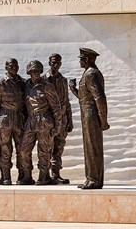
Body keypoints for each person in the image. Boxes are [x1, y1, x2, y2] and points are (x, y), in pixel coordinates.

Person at [69, 48, 109, 190]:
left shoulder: (91, 74)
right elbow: (85, 97)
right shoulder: (88, 73)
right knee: (89, 147)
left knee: (93, 146)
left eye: (81, 59)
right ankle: (90, 178)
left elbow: (99, 97)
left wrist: (103, 120)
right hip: (87, 113)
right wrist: (73, 89)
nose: (79, 61)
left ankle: (95, 179)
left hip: (91, 114)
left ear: (87, 60)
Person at [18, 60, 62, 185]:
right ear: (29, 72)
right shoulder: (25, 85)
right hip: (31, 121)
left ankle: (43, 176)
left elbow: (56, 108)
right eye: (32, 71)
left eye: (37, 71)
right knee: (23, 150)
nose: (35, 73)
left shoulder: (47, 86)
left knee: (44, 151)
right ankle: (27, 176)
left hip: (44, 121)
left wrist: (58, 126)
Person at [0, 58, 26, 185]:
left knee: (21, 149)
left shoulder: (22, 82)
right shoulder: (1, 83)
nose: (14, 67)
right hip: (5, 119)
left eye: (16, 65)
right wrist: (1, 114)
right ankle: (6, 177)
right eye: (11, 65)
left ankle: (22, 176)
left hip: (19, 119)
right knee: (5, 149)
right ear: (6, 68)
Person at [43, 53, 73, 184]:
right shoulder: (43, 79)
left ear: (60, 64)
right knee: (46, 146)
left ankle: (56, 173)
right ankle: (45, 174)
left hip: (62, 118)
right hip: (48, 118)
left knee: (59, 146)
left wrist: (69, 119)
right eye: (53, 62)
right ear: (49, 63)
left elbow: (66, 101)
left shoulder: (63, 80)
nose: (55, 65)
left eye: (58, 62)